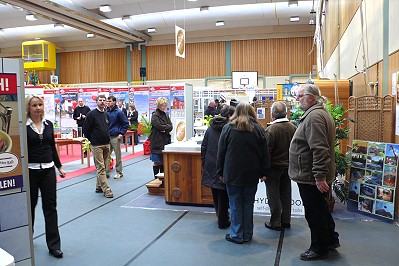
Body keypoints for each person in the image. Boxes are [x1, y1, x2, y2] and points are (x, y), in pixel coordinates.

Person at [288, 84, 339, 261]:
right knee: (321, 209)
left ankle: (319, 247)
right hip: (310, 174)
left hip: (310, 176)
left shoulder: (315, 117)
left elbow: (319, 149)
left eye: (300, 96)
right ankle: (331, 240)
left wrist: (319, 176)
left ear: (311, 97)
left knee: (314, 212)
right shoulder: (317, 114)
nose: (297, 99)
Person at [217, 102, 270, 244]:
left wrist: (220, 171)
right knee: (248, 204)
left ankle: (236, 234)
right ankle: (247, 234)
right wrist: (265, 171)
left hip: (232, 172)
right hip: (252, 173)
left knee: (234, 204)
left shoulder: (228, 128)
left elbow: (221, 151)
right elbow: (265, 153)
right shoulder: (258, 128)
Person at [26, 95, 67, 258]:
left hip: (48, 171)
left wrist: (59, 166)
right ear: (28, 108)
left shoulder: (49, 125)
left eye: (40, 104)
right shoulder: (24, 126)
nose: (37, 108)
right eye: (34, 105)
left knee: (50, 207)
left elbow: (52, 147)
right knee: (30, 207)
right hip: (31, 171)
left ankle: (54, 245)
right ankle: (27, 238)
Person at [262, 101, 297, 231]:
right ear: (286, 113)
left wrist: (263, 171)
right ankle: (286, 220)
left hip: (273, 168)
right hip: (288, 167)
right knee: (286, 193)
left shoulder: (271, 130)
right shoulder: (293, 127)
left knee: (273, 195)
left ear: (272, 115)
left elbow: (266, 152)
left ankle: (275, 222)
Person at [201, 105, 235, 229]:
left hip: (210, 164)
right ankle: (223, 220)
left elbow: (204, 146)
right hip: (223, 165)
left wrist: (205, 162)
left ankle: (220, 217)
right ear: (229, 116)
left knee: (215, 191)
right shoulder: (229, 129)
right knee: (224, 194)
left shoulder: (210, 128)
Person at [83, 94, 114, 198]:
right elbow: (86, 130)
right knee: (100, 167)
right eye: (100, 100)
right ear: (96, 102)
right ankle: (107, 189)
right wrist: (92, 139)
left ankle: (99, 186)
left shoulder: (106, 115)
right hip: (97, 145)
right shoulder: (91, 114)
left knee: (103, 167)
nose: (102, 102)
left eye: (104, 100)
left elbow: (107, 127)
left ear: (106, 102)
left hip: (106, 143)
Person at [106, 96, 129, 179]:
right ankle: (106, 172)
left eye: (110, 101)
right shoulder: (106, 112)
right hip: (107, 136)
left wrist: (122, 133)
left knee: (117, 155)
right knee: (107, 156)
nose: (108, 103)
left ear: (114, 102)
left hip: (116, 136)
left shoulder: (119, 112)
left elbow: (125, 123)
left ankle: (119, 172)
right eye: (107, 101)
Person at [150, 97, 173, 177]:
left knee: (164, 161)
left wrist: (164, 128)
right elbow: (158, 126)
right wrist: (165, 127)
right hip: (157, 141)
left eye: (165, 105)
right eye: (162, 105)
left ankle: (163, 179)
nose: (164, 107)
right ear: (158, 105)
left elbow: (171, 126)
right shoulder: (154, 115)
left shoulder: (166, 115)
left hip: (165, 140)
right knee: (157, 161)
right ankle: (156, 179)